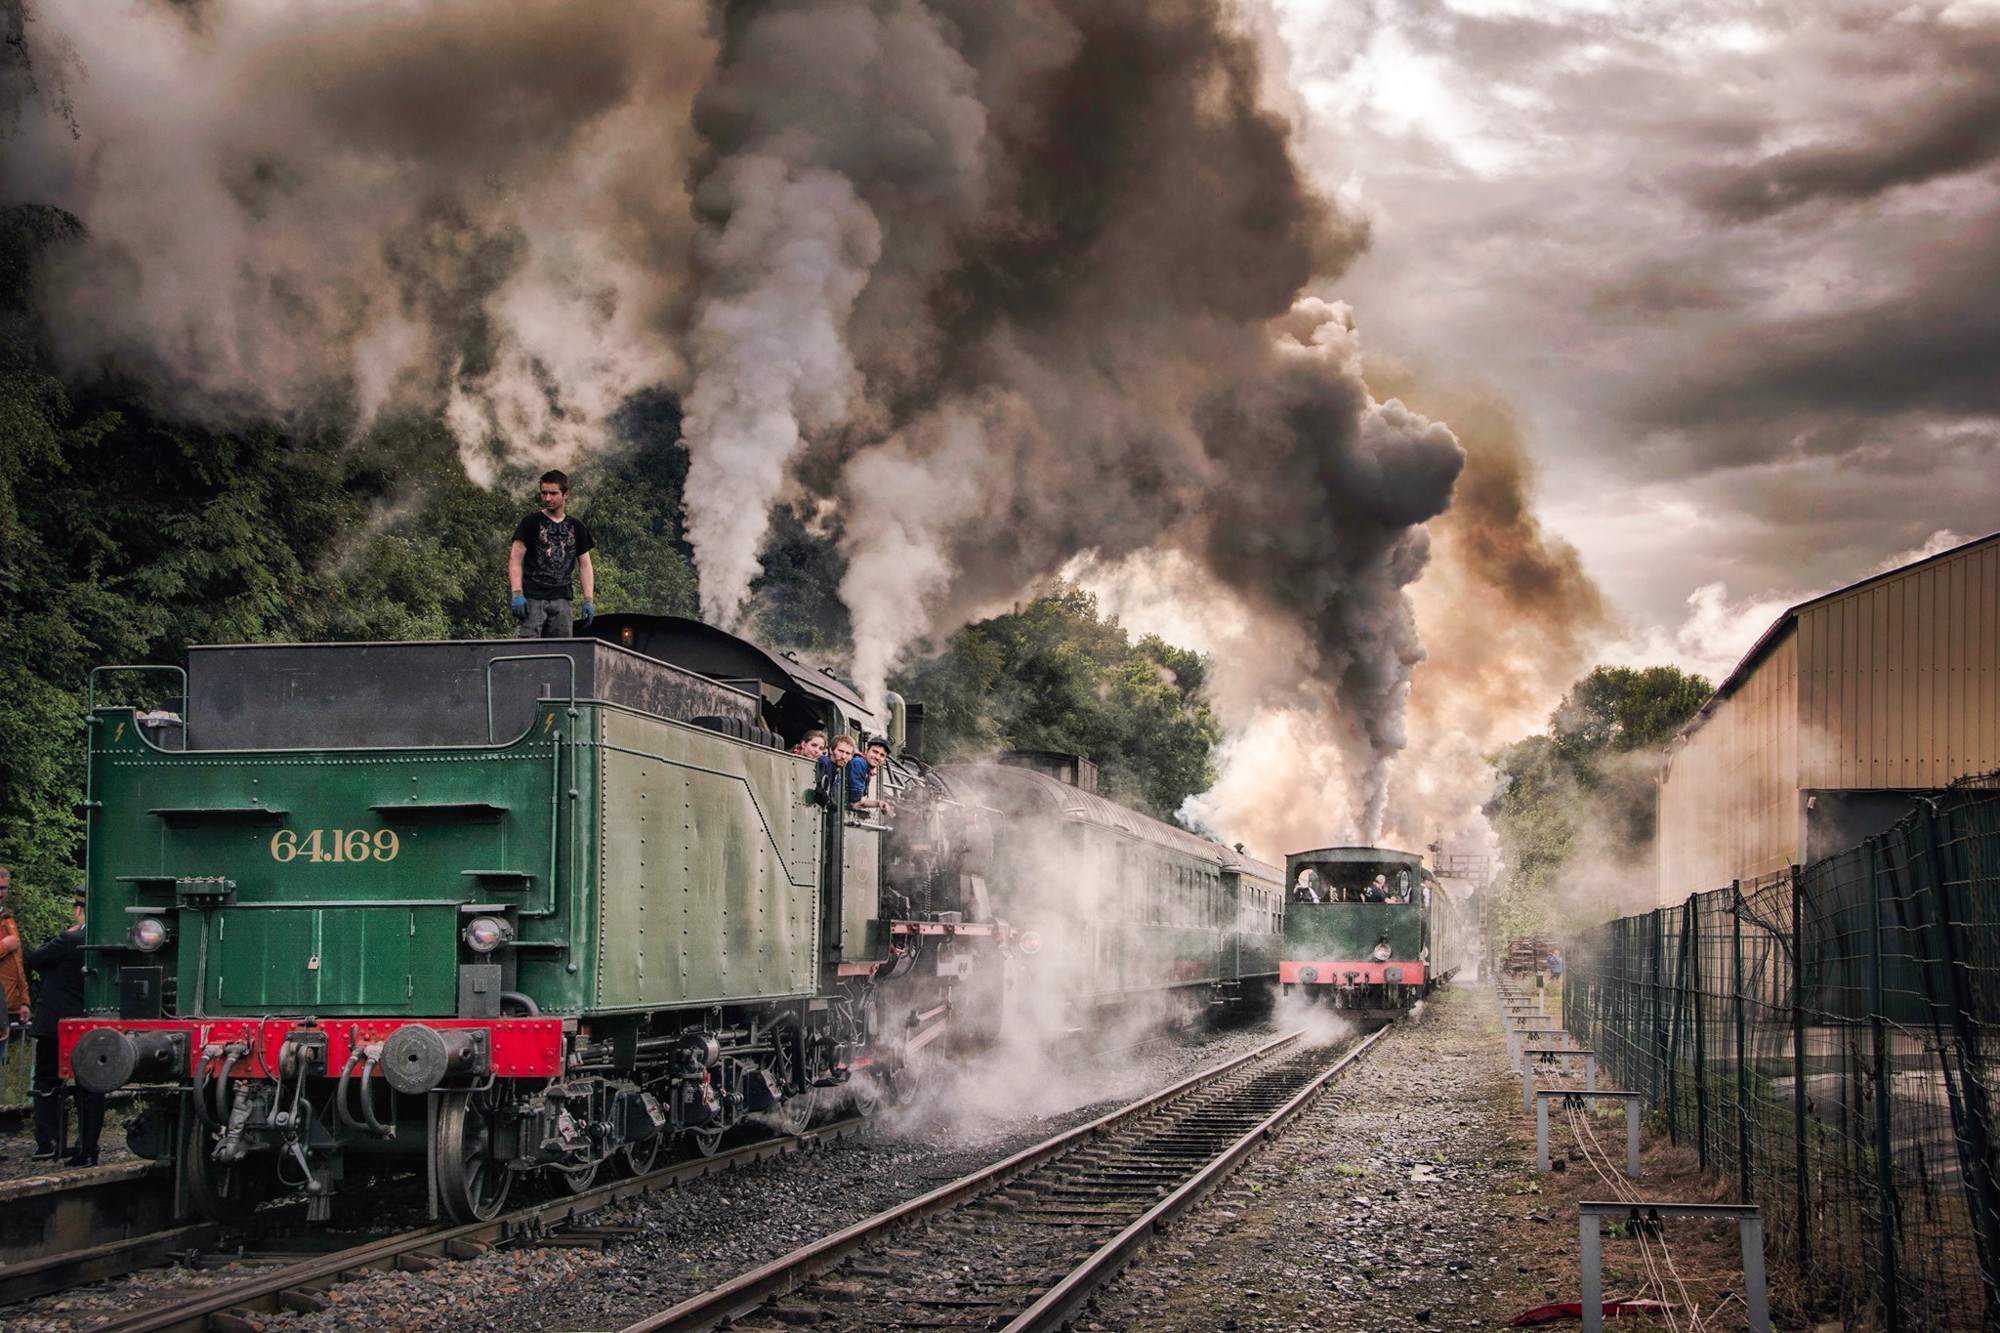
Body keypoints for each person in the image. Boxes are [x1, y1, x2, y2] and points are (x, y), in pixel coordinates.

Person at [29, 888, 103, 1167]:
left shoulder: (69, 938)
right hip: (91, 1022)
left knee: (47, 1079)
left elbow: (35, 959)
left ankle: (49, 1141)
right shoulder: (110, 938)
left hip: (55, 1022)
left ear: (78, 910)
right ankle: (88, 1147)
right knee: (91, 1084)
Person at [508, 470, 595, 638]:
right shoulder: (530, 522)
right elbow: (515, 559)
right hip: (533, 598)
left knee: (561, 653)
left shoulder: (577, 527)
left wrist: (588, 600)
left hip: (562, 599)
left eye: (553, 493)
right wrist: (517, 594)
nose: (548, 498)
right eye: (544, 493)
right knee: (524, 651)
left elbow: (585, 564)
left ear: (565, 494)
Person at [0, 868, 30, 1079]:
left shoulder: (8, 919)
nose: (0, 892)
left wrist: (24, 1001)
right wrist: (3, 946)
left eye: (3, 888)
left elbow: (18, 965)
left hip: (8, 1004)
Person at [816, 735, 868, 808]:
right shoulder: (824, 762)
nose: (843, 756)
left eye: (848, 753)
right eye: (840, 751)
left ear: (851, 756)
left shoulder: (837, 776)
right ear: (831, 750)